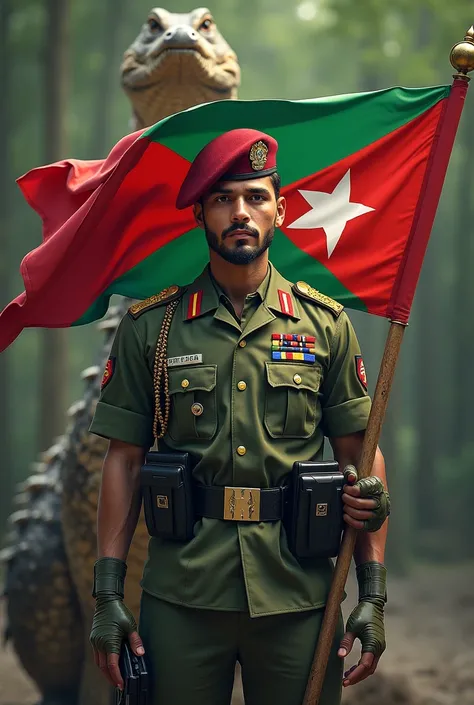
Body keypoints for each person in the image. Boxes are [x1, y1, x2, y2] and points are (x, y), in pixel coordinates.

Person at [89, 128, 390, 705]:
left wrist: (372, 596)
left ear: (279, 208)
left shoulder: (324, 325)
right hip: (182, 593)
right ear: (201, 213)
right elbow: (124, 460)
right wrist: (107, 593)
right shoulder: (153, 329)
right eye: (224, 199)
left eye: (255, 197)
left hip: (299, 594)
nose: (241, 213)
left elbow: (361, 458)